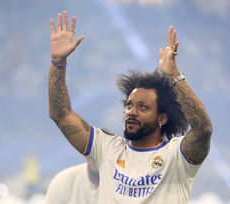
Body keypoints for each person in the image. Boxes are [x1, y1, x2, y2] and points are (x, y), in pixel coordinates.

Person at [48, 10, 212, 204]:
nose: (132, 112)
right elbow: (61, 115)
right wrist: (58, 63)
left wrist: (174, 76)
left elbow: (203, 130)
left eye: (143, 107)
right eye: (129, 105)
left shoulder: (177, 156)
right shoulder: (107, 149)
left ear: (161, 118)